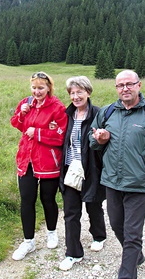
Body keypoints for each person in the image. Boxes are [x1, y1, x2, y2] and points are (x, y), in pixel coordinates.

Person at [89, 70, 145, 279]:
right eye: (120, 85)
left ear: (139, 86)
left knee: (132, 233)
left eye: (129, 84)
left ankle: (126, 274)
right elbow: (92, 141)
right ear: (116, 88)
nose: (125, 88)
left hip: (138, 183)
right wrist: (100, 140)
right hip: (112, 181)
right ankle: (137, 256)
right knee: (117, 225)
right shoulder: (108, 112)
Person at [10, 71, 68, 260]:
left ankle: (51, 232)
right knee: (26, 200)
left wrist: (39, 133)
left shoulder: (58, 108)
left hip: (48, 162)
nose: (37, 92)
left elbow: (61, 137)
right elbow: (17, 125)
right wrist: (21, 113)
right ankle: (29, 242)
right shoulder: (26, 102)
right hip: (26, 160)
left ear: (49, 88)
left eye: (41, 88)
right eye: (34, 88)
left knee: (47, 199)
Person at [58, 76, 106, 271]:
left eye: (79, 92)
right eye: (72, 93)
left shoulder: (98, 114)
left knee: (93, 205)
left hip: (91, 169)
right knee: (70, 212)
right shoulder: (66, 114)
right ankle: (73, 253)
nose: (76, 97)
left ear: (88, 92)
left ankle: (98, 235)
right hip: (70, 169)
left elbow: (106, 141)